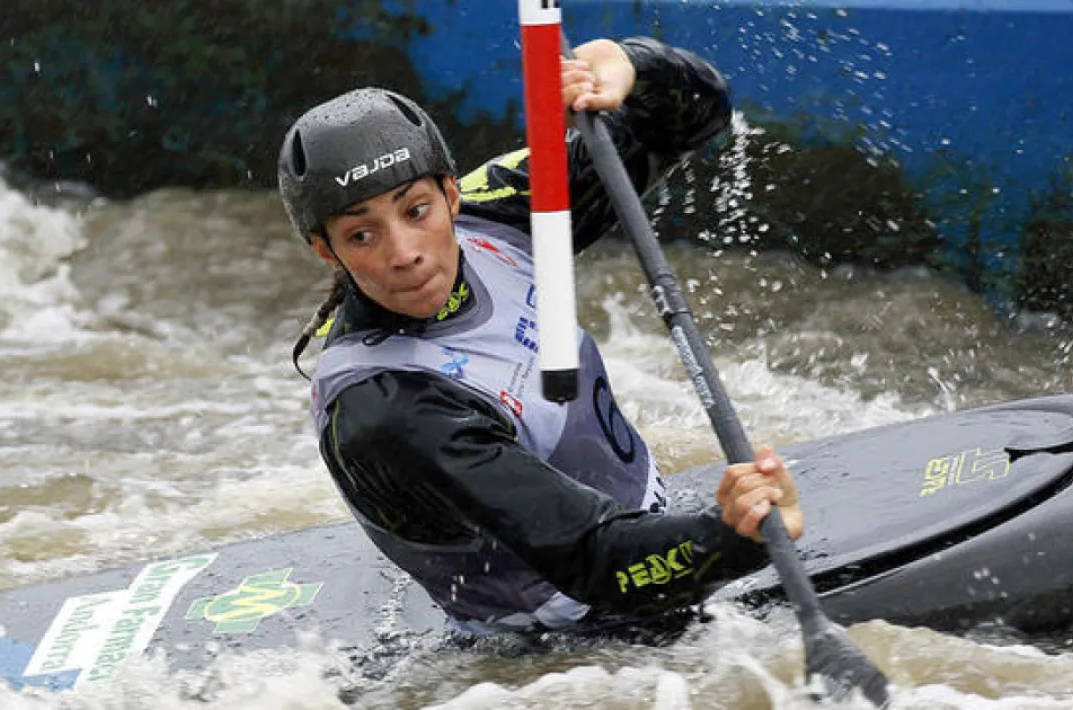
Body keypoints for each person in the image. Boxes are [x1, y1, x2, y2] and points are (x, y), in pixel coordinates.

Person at [277, 36, 804, 635]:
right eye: (362, 235)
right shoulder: (387, 409)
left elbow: (694, 116)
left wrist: (626, 70)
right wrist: (733, 538)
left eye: (416, 210)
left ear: (451, 193)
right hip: (573, 639)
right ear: (327, 251)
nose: (404, 253)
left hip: (645, 534)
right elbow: (596, 562)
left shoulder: (498, 210)